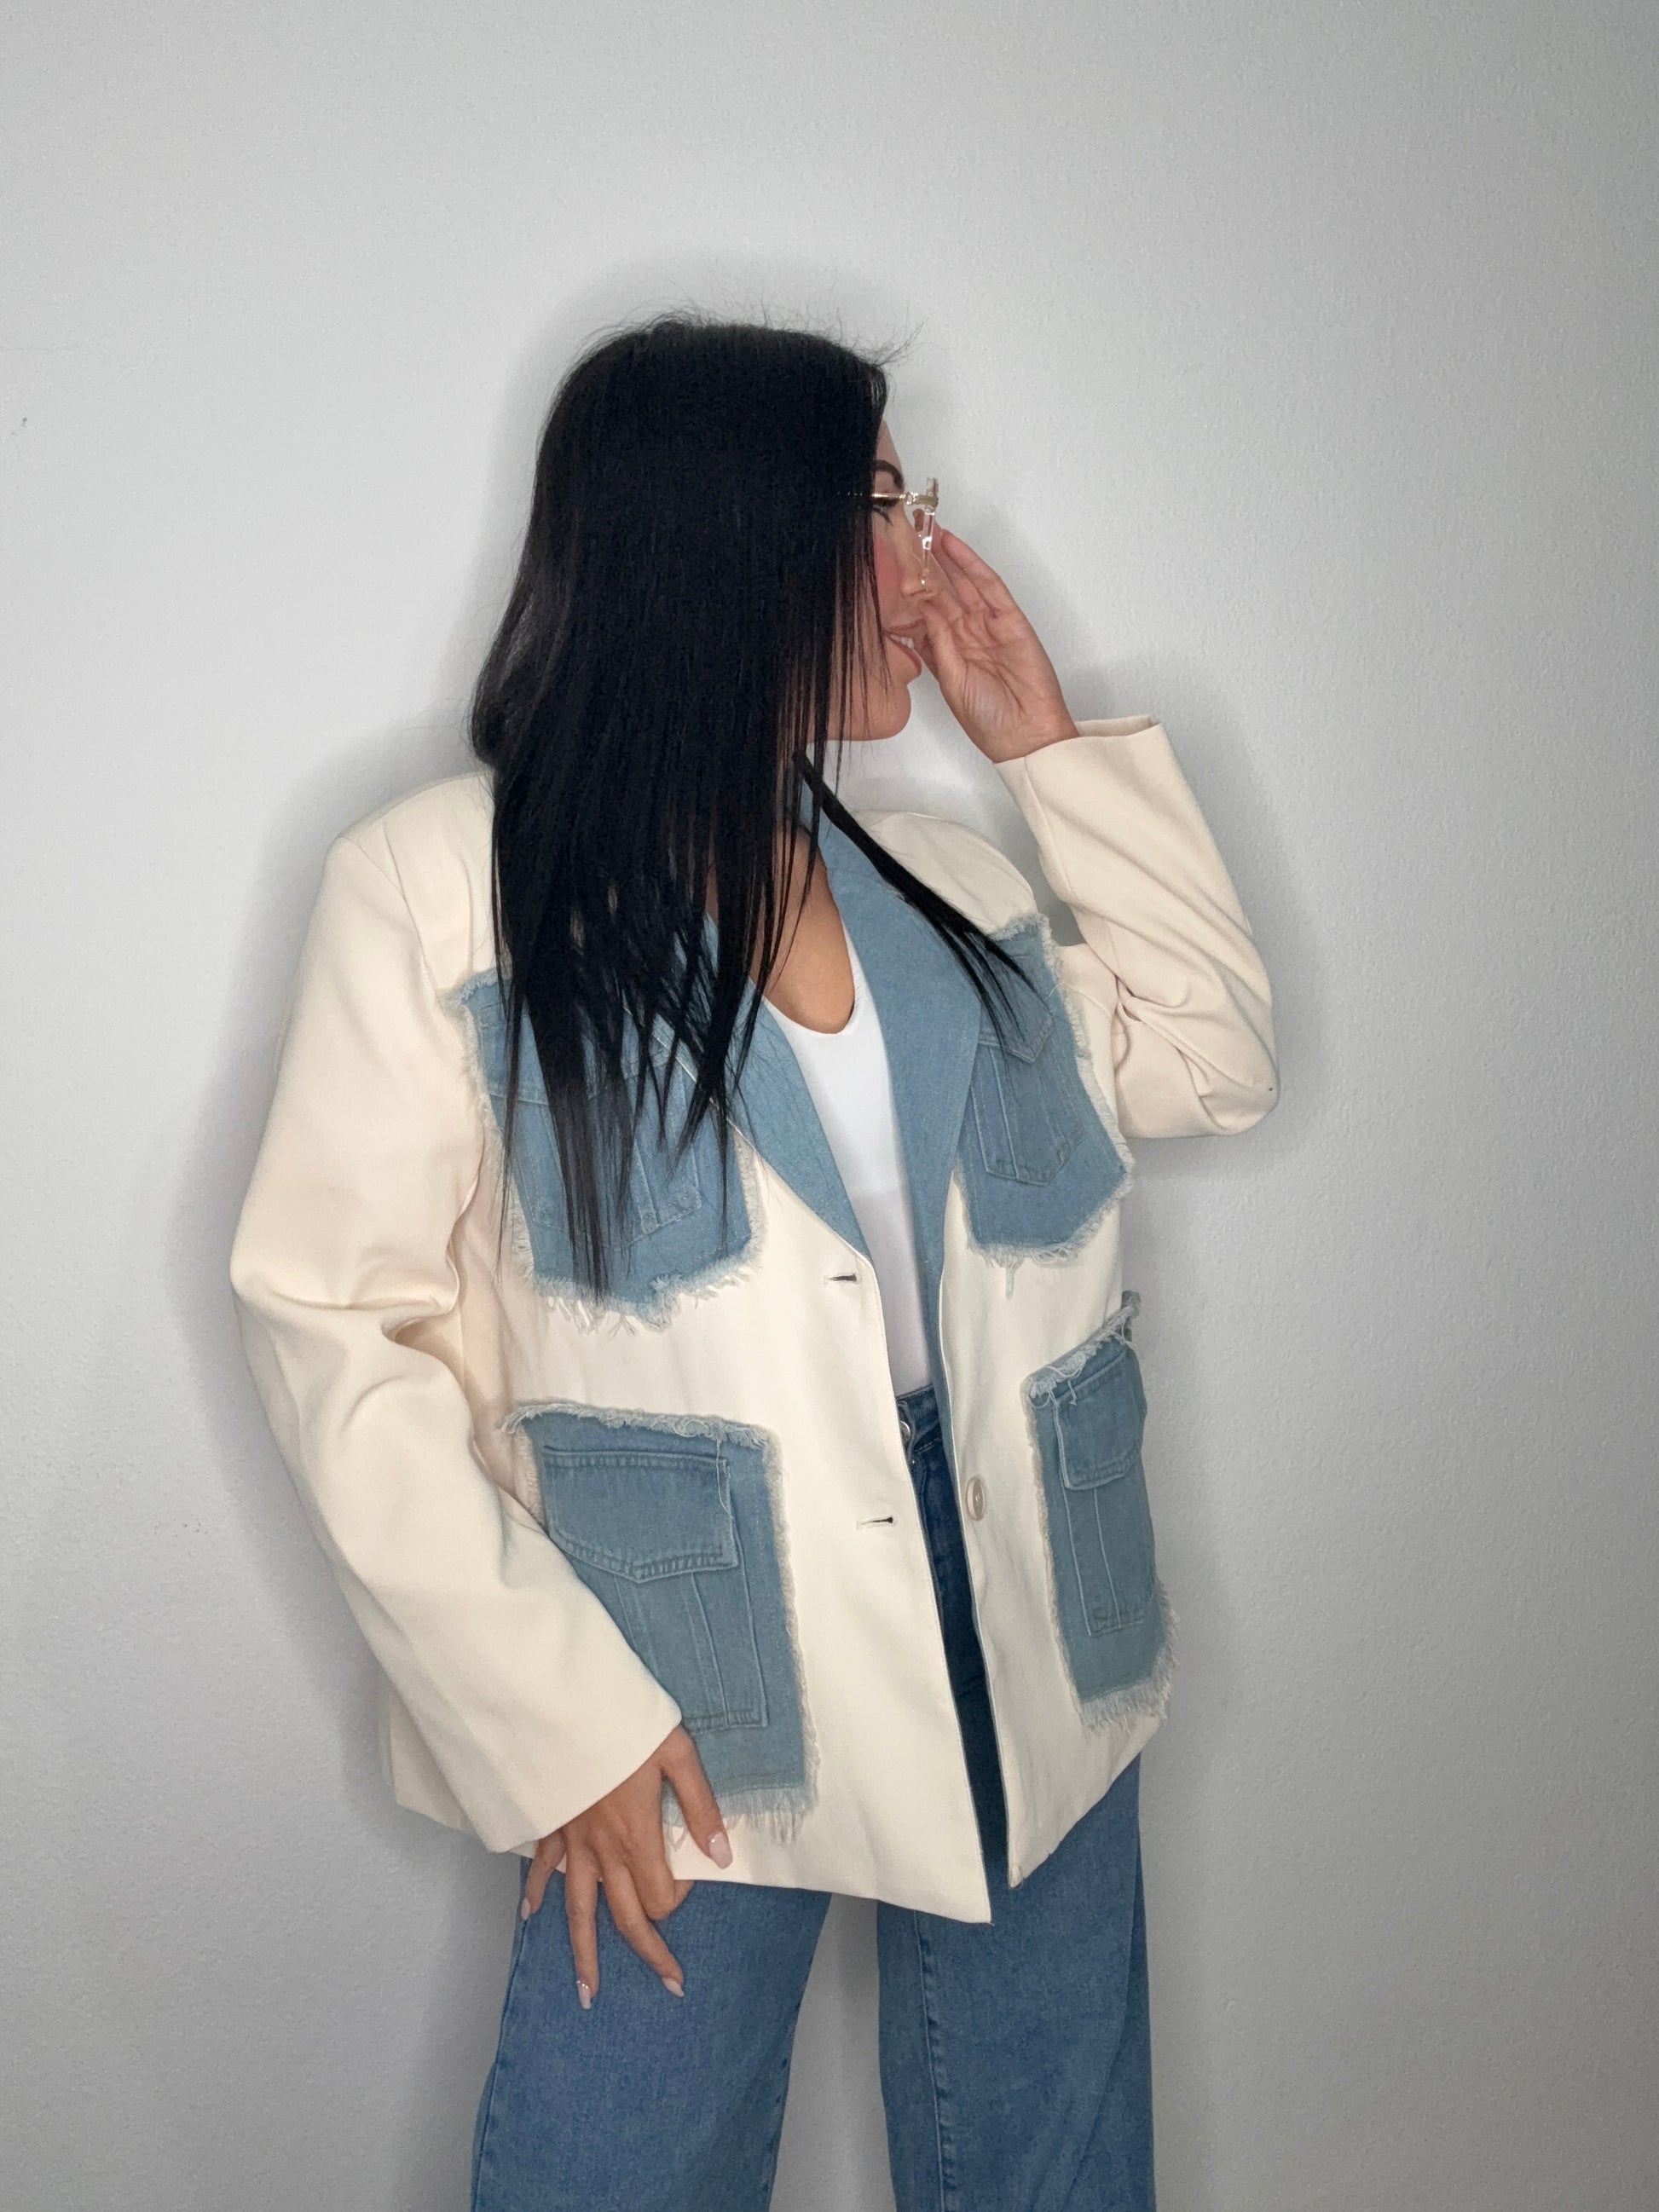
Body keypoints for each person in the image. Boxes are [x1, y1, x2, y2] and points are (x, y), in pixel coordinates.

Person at [230, 311, 1278, 2212]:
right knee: (623, 2165)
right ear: (728, 536)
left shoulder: (949, 884)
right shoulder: (447, 885)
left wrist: (1046, 748)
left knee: (1053, 2161)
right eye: (876, 501)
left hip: (1029, 1592)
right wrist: (548, 1717)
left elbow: (1205, 1053)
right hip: (671, 1663)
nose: (923, 551)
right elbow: (334, 1325)